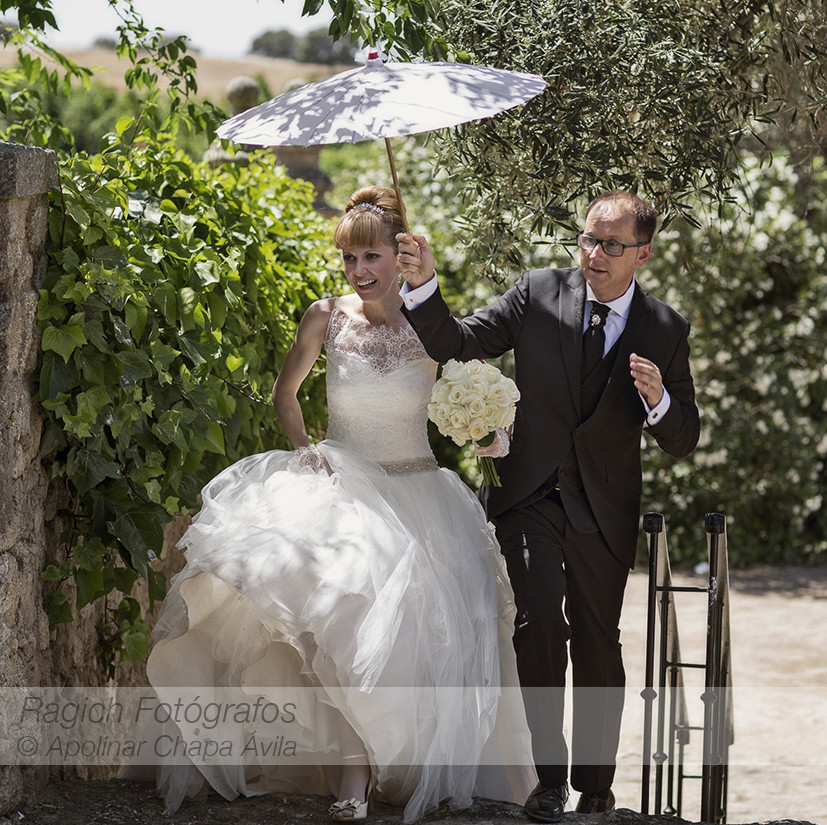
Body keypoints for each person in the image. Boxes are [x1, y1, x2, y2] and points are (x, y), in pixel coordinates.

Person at [140, 185, 536, 823]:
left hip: (419, 494)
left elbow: (466, 392)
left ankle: (401, 763)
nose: (360, 271)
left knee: (424, 635)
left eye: (372, 256)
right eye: (350, 260)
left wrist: (487, 428)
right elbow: (285, 394)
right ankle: (353, 769)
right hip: (343, 487)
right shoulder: (325, 317)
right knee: (342, 618)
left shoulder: (429, 324)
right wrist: (305, 450)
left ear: (398, 253)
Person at [397, 190, 701, 821]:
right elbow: (457, 342)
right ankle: (548, 780)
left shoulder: (666, 329)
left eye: (612, 245)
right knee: (538, 631)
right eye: (588, 238)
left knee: (598, 643)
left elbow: (685, 439)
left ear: (642, 252)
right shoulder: (536, 291)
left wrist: (659, 401)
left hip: (604, 508)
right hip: (529, 493)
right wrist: (424, 283)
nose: (594, 253)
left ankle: (596, 785)